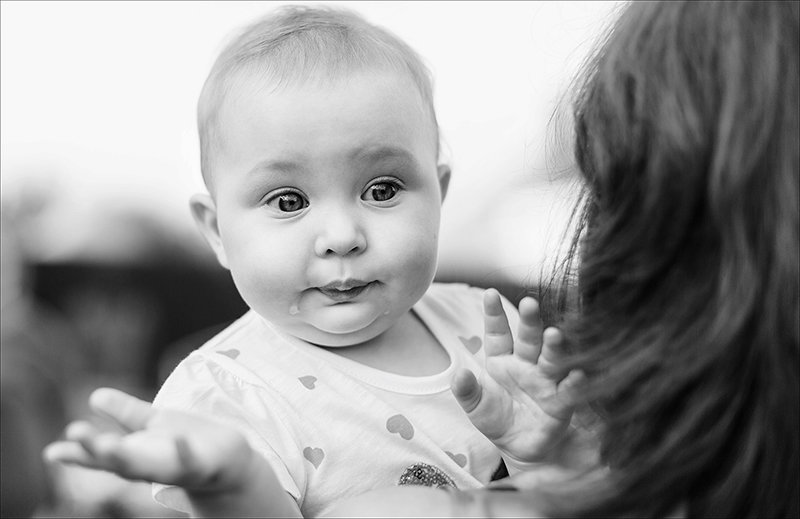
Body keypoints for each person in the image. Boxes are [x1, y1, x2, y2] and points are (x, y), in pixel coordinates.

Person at [46, 0, 799, 517]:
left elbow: (596, 494)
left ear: (438, 190)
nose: (341, 233)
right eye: (287, 201)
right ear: (215, 230)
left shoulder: (489, 326)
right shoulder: (225, 396)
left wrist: (553, 453)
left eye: (381, 187)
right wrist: (233, 485)